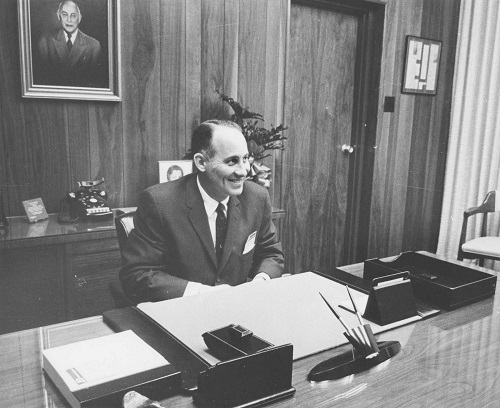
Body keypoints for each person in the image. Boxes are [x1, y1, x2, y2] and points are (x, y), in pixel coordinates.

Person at [120, 120, 284, 303]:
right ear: (201, 162)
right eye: (232, 161)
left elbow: (271, 254)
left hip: (237, 309)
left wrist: (260, 282)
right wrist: (200, 293)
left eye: (245, 159)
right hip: (180, 312)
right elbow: (137, 274)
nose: (243, 171)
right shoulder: (159, 202)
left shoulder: (257, 197)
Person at [34, 1, 103, 87]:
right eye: (65, 14)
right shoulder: (45, 42)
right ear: (59, 16)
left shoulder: (94, 46)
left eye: (73, 15)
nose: (69, 20)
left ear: (79, 18)